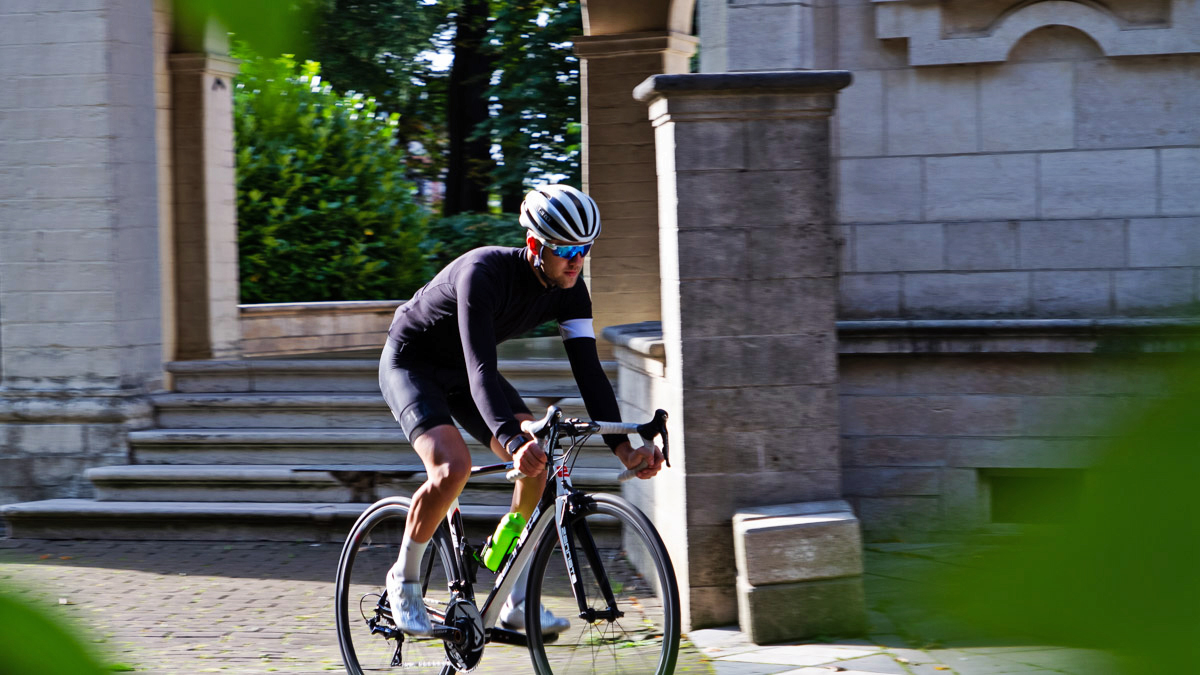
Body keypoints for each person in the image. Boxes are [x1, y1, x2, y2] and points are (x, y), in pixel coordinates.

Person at [378, 184, 666, 637]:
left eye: (585, 248)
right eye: (566, 248)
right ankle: (404, 580)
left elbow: (589, 372)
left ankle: (513, 599)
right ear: (534, 245)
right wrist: (513, 442)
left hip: (465, 372)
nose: (576, 260)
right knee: (453, 467)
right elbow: (481, 369)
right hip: (413, 364)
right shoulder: (483, 273)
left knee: (538, 464)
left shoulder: (570, 289)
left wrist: (625, 450)